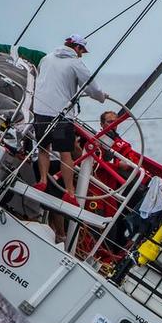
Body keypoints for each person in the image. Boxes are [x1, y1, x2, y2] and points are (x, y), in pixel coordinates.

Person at [33, 34, 108, 204]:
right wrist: (102, 97)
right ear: (78, 48)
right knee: (65, 153)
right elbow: (91, 88)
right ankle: (70, 193)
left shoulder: (46, 58)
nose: (82, 54)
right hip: (61, 116)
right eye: (82, 51)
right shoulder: (76, 63)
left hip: (41, 111)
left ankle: (43, 181)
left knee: (43, 148)